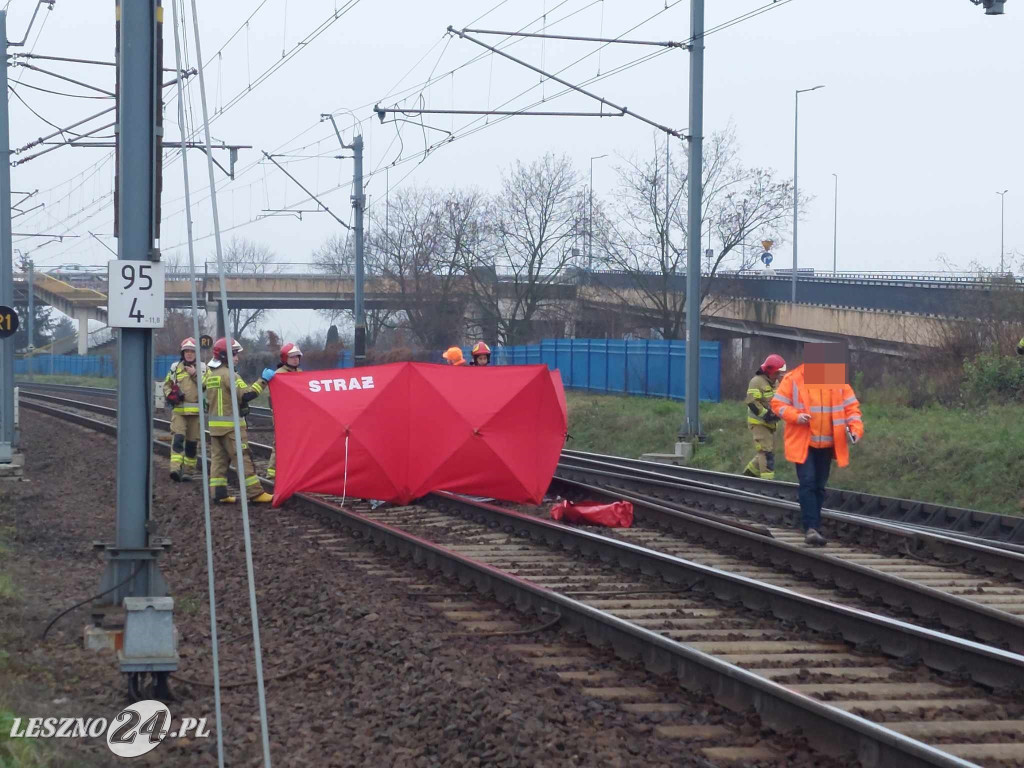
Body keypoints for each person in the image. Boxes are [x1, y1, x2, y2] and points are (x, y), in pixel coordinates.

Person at [771, 343, 864, 547]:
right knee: (808, 482)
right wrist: (796, 416)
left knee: (819, 487)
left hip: (828, 445)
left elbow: (852, 408)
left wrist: (855, 429)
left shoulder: (836, 381)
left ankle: (814, 526)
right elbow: (777, 405)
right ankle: (811, 528)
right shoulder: (794, 379)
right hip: (804, 443)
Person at [203, 337, 275, 504]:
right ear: (224, 356)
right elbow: (247, 394)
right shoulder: (230, 375)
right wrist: (263, 380)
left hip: (215, 428)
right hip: (232, 428)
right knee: (243, 459)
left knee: (218, 463)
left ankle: (219, 495)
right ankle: (256, 494)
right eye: (234, 354)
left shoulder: (211, 375)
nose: (237, 358)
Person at [163, 337, 203, 482]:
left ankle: (188, 472)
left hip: (195, 415)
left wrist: (195, 374)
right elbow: (166, 385)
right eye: (187, 351)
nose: (189, 354)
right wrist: (170, 395)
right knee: (178, 440)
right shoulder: (175, 368)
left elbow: (208, 386)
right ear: (182, 352)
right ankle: (175, 468)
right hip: (179, 413)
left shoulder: (203, 369)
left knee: (192, 444)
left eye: (192, 351)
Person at [743, 354, 786, 480]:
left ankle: (745, 478)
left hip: (771, 423)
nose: (780, 375)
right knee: (767, 453)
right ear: (770, 371)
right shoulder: (756, 382)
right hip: (758, 423)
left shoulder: (775, 382)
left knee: (765, 452)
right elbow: (752, 402)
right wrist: (766, 414)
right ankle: (767, 484)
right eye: (778, 373)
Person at [266, 343, 302, 480]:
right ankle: (272, 472)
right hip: (282, 415)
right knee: (280, 443)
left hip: (297, 415)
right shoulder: (278, 375)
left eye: (297, 357)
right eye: (292, 357)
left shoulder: (300, 373)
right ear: (285, 358)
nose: (295, 360)